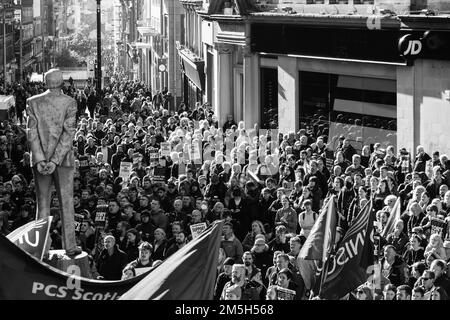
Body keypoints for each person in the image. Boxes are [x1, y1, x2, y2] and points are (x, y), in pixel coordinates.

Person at [26, 69, 81, 257]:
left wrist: (41, 159)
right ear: (61, 82)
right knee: (66, 202)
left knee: (42, 203)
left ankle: (40, 246)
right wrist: (56, 160)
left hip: (40, 160)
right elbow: (69, 134)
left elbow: (31, 133)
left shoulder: (32, 102)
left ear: (45, 82)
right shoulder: (70, 103)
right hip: (63, 160)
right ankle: (70, 246)